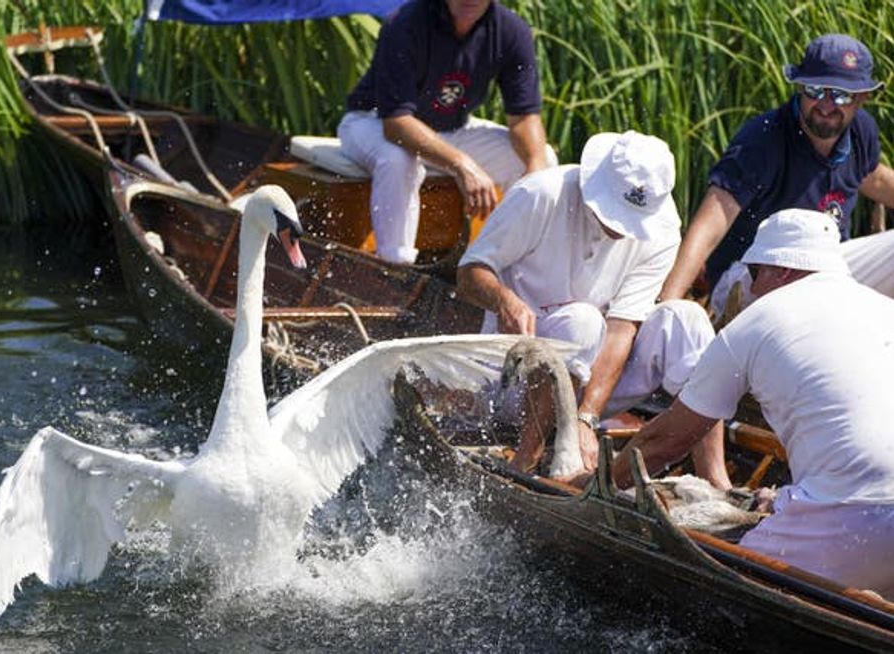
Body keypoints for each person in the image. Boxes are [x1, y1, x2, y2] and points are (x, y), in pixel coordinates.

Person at [607, 208, 894, 598]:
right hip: (867, 513)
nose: (753, 289)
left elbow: (664, 443)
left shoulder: (758, 318)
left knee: (709, 591)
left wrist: (598, 488)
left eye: (754, 273)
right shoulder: (884, 308)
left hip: (855, 520)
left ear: (782, 270)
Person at [456, 130, 731, 490]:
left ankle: (717, 481)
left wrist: (587, 417)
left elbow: (622, 329)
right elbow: (469, 273)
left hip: (591, 381)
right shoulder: (540, 194)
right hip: (510, 379)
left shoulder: (663, 231)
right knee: (581, 321)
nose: (619, 229)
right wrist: (504, 299)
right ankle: (526, 462)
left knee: (687, 319)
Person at [658, 33, 894, 317]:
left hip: (828, 268)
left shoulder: (860, 132)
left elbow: (874, 179)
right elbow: (714, 219)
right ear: (799, 88)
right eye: (816, 90)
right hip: (754, 276)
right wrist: (665, 306)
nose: (827, 105)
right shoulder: (763, 139)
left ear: (862, 99)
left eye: (842, 95)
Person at [337, 0, 557, 264]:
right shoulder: (405, 23)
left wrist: (535, 172)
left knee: (542, 159)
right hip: (371, 122)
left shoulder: (511, 30)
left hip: (452, 129)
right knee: (399, 159)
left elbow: (523, 117)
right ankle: (394, 266)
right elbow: (396, 124)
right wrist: (462, 165)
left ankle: (509, 263)